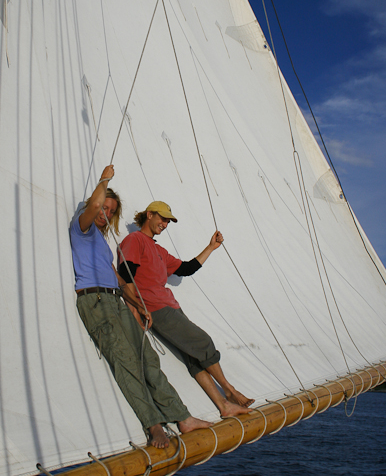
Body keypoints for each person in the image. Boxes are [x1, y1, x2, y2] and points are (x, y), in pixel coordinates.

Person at [70, 165, 211, 449]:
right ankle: (154, 425)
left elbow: (118, 278)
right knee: (126, 362)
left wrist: (138, 303)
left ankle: (182, 417)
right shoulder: (81, 227)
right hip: (95, 302)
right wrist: (105, 179)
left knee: (148, 358)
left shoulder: (101, 242)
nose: (105, 213)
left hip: (115, 299)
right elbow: (93, 205)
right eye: (104, 207)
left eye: (111, 211)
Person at [118, 201, 254, 418]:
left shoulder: (158, 250)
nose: (165, 224)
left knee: (193, 359)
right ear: (149, 215)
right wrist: (137, 308)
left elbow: (186, 269)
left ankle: (224, 406)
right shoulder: (135, 240)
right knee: (203, 342)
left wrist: (211, 247)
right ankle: (229, 390)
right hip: (156, 308)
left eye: (168, 221)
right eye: (162, 219)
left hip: (170, 306)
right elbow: (126, 274)